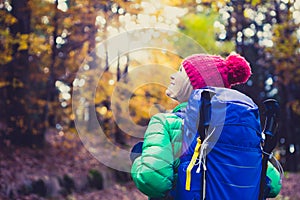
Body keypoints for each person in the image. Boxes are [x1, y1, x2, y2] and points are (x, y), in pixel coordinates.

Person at [130, 53, 281, 199]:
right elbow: (273, 185)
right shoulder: (238, 131)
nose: (172, 76)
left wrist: (138, 158)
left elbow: (153, 181)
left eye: (181, 71)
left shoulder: (165, 123)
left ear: (196, 84)